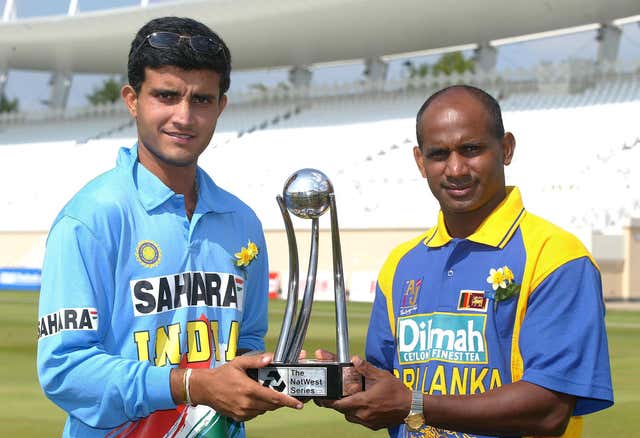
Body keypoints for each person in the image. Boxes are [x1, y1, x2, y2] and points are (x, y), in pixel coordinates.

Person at [36, 16, 302, 437]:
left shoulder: (242, 221)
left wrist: (286, 373)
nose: (184, 116)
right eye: (166, 95)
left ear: (221, 106)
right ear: (132, 99)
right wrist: (190, 386)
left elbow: (246, 343)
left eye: (201, 99)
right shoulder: (89, 219)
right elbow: (65, 369)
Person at [315, 85, 613, 437]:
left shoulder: (557, 256)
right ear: (420, 161)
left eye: (471, 149)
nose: (455, 168)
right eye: (439, 154)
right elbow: (386, 392)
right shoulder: (400, 265)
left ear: (506, 149)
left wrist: (414, 404)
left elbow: (548, 410)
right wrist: (337, 381)